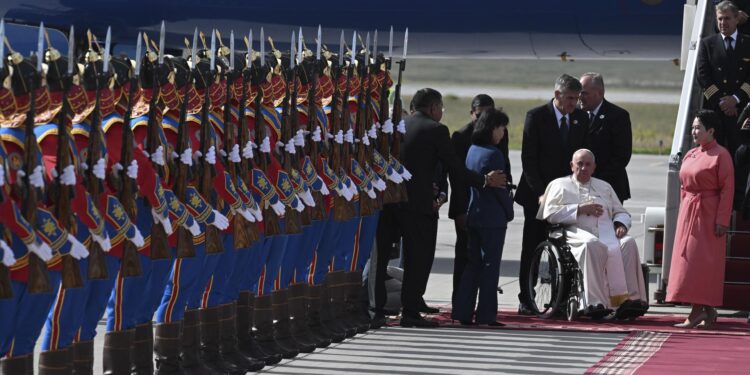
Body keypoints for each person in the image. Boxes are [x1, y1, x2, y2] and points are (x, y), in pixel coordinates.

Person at [398, 88, 506, 327]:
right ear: (434, 108)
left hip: (393, 201)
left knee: (385, 255)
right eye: (441, 108)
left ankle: (378, 307)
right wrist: (485, 181)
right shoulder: (437, 130)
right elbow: (454, 168)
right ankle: (411, 311)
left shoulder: (400, 124)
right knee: (419, 258)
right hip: (421, 204)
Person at [538, 149, 648, 319]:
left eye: (588, 164)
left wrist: (620, 224)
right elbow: (550, 214)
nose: (583, 168)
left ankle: (629, 299)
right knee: (591, 244)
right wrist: (580, 209)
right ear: (572, 166)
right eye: (579, 164)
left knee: (628, 243)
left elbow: (621, 212)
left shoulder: (604, 187)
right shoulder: (559, 185)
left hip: (607, 233)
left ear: (594, 167)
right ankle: (594, 302)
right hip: (574, 231)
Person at [514, 74, 589, 315]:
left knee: (566, 247)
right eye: (569, 98)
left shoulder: (579, 118)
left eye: (576, 99)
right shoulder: (536, 117)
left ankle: (562, 298)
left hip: (567, 195)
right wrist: (542, 194)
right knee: (532, 245)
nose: (573, 103)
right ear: (557, 95)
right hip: (538, 195)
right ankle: (526, 297)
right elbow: (529, 160)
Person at [667, 109, 734, 329]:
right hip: (689, 213)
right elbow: (684, 186)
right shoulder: (691, 154)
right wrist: (683, 213)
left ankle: (697, 311)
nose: (694, 131)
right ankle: (706, 310)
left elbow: (727, 189)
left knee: (701, 264)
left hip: (708, 214)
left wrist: (722, 220)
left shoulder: (721, 155)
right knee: (687, 262)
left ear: (711, 131)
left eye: (699, 128)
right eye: (693, 127)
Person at [451, 108, 514, 326]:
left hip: (474, 214)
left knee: (473, 265)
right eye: (501, 128)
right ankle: (487, 315)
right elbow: (499, 188)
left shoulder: (473, 149)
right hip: (492, 218)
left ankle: (462, 311)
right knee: (490, 267)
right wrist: (509, 210)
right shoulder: (494, 154)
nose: (503, 133)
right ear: (492, 128)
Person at [698, 0, 750, 156]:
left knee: (740, 156)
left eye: (727, 18)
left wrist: (735, 99)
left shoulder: (747, 44)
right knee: (715, 155)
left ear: (736, 19)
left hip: (741, 112)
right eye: (720, 19)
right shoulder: (708, 44)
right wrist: (722, 103)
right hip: (716, 111)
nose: (722, 22)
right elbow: (703, 76)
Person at [579, 72, 632, 203]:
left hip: (609, 186)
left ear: (600, 93)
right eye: (579, 92)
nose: (580, 97)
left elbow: (621, 156)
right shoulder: (576, 114)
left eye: (584, 93)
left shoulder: (617, 116)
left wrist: (595, 181)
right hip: (580, 186)